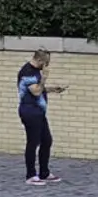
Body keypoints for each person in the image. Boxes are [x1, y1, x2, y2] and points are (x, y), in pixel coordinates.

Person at [17, 49, 63, 184]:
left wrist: (52, 89)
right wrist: (44, 78)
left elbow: (37, 89)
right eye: (46, 62)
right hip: (30, 111)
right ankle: (31, 175)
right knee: (33, 142)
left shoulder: (35, 71)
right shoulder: (28, 72)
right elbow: (36, 92)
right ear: (39, 60)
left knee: (46, 140)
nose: (47, 65)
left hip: (39, 112)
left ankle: (44, 172)